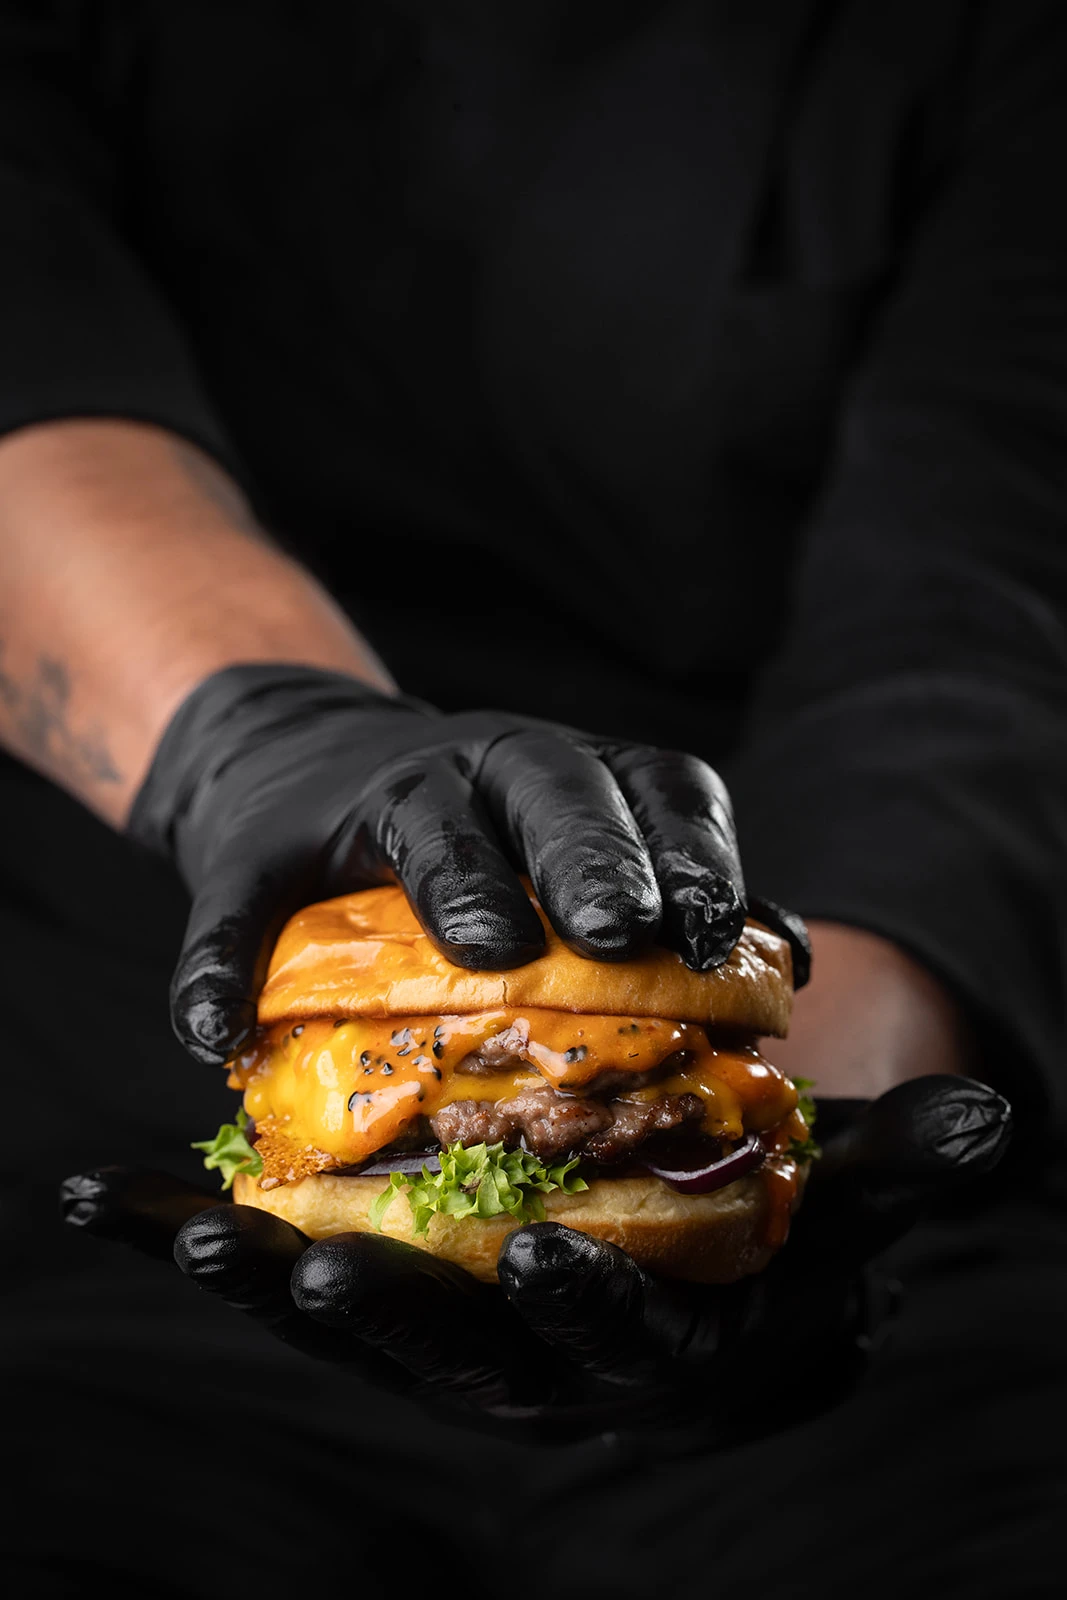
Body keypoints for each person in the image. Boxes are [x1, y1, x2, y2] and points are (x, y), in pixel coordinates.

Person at [1, 2, 1066, 1595]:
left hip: (853, 1110)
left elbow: (969, 646)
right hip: (99, 1215)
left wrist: (788, 1195)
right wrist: (256, 730)